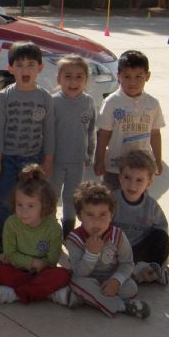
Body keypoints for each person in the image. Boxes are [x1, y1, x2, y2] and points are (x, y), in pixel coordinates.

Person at [0, 41, 55, 254]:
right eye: (19, 65)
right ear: (10, 68)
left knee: (32, 199)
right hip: (7, 158)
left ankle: (29, 237)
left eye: (30, 65)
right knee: (2, 200)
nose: (25, 70)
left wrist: (48, 159)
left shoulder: (45, 97)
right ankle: (1, 237)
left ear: (40, 68)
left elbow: (50, 131)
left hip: (33, 159)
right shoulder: (4, 97)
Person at [0, 164, 71, 304]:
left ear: (44, 206)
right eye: (20, 205)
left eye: (31, 206)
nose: (24, 211)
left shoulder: (54, 228)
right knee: (0, 273)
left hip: (42, 270)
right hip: (17, 268)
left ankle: (15, 295)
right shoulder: (11, 223)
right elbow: (10, 254)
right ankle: (47, 293)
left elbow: (51, 261)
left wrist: (40, 266)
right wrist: (31, 263)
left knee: (63, 275)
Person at [66, 181, 150, 319]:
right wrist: (91, 254)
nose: (96, 221)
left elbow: (127, 263)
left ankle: (89, 299)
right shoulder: (74, 239)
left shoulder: (118, 236)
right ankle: (122, 306)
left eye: (103, 215)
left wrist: (116, 281)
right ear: (80, 216)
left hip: (110, 277)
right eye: (89, 215)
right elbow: (79, 272)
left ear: (111, 215)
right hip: (88, 279)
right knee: (76, 282)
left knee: (131, 287)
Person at [94, 50, 164, 190]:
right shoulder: (112, 102)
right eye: (127, 76)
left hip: (141, 169)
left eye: (139, 76)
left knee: (137, 204)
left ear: (147, 76)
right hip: (115, 168)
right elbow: (103, 134)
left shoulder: (152, 104)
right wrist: (99, 159)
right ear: (118, 76)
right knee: (112, 204)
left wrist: (158, 159)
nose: (133, 82)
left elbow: (155, 134)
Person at [49, 55, 96, 238]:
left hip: (77, 161)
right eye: (68, 76)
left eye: (79, 76)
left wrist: (90, 155)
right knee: (52, 196)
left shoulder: (89, 102)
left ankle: (68, 230)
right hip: (55, 160)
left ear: (86, 80)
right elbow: (46, 132)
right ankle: (50, 229)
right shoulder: (53, 101)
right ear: (59, 78)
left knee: (71, 197)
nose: (73, 81)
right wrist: (46, 156)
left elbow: (91, 130)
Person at [112, 150, 169, 285]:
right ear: (120, 177)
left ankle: (154, 269)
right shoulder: (111, 201)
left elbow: (162, 229)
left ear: (148, 184)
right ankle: (134, 273)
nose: (132, 185)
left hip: (139, 251)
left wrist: (163, 260)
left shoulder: (152, 207)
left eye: (139, 180)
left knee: (162, 238)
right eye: (127, 178)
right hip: (116, 251)